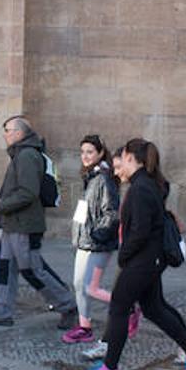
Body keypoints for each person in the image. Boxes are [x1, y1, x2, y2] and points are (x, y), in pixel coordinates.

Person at [78, 139, 186, 370]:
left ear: (130, 158)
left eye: (122, 161)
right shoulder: (147, 184)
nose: (119, 168)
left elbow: (139, 231)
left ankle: (109, 368)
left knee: (119, 306)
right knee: (153, 307)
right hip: (150, 259)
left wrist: (125, 255)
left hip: (143, 259)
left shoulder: (141, 188)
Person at [0, 116, 78, 328]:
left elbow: (28, 192)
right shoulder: (22, 154)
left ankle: (67, 304)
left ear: (18, 133)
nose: (5, 134)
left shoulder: (27, 156)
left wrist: (3, 204)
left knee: (32, 269)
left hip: (24, 225)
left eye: (7, 130)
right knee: (7, 267)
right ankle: (2, 312)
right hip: (13, 223)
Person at [63, 134, 120, 346]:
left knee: (90, 287)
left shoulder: (104, 178)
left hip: (98, 243)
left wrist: (98, 234)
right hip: (85, 241)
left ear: (100, 153)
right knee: (78, 284)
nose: (85, 156)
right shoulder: (90, 177)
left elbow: (112, 212)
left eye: (90, 152)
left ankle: (129, 305)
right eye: (83, 152)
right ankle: (84, 326)